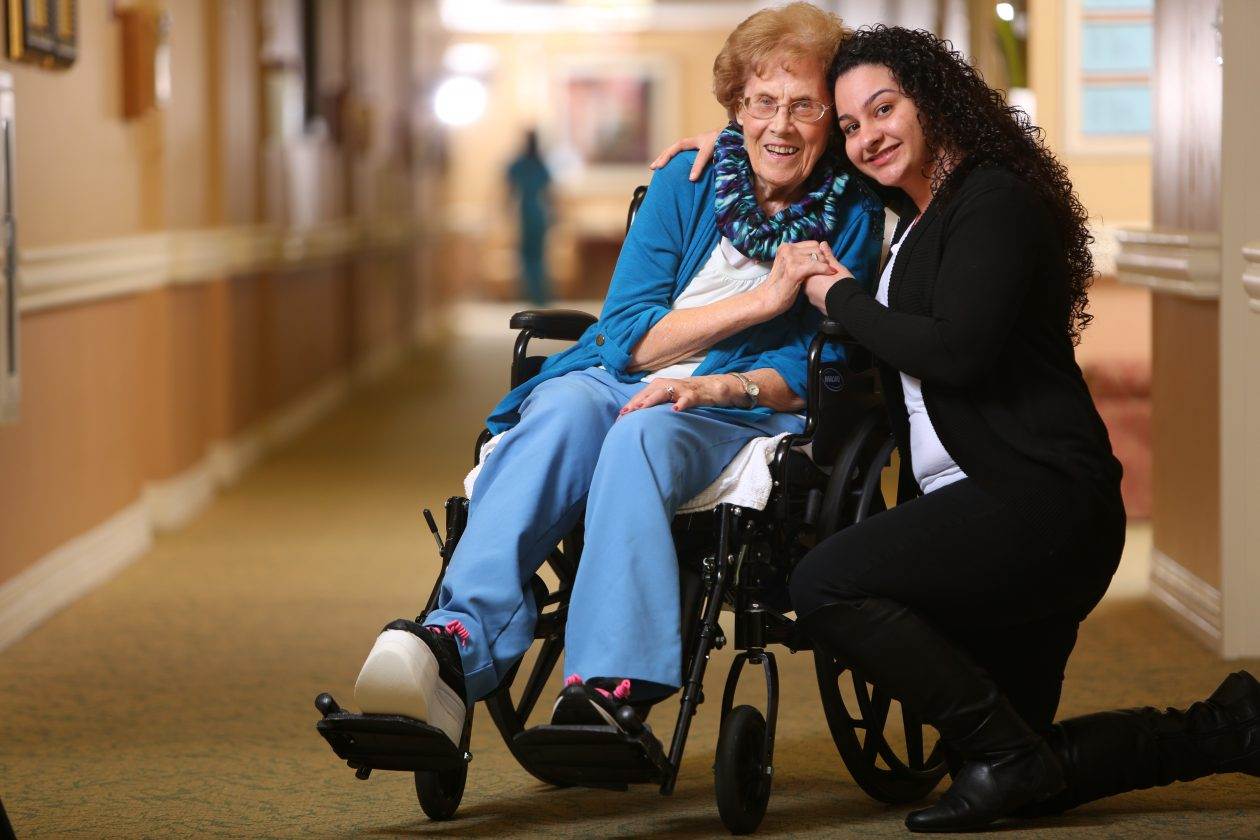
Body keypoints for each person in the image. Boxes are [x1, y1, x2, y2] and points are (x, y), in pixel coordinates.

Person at [656, 23, 1259, 836]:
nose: (868, 136)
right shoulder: (905, 209)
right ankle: (1229, 728)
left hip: (1042, 499)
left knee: (825, 583)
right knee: (1024, 761)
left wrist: (841, 300)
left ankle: (1010, 758)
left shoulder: (993, 200)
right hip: (989, 500)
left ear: (930, 101)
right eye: (854, 123)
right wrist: (732, 141)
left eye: (884, 109)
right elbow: (789, 147)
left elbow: (959, 354)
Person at [350, 3, 883, 757]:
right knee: (564, 405)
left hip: (735, 406)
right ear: (735, 105)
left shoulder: (854, 210)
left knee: (643, 431)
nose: (782, 125)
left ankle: (612, 684)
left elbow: (819, 366)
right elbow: (628, 337)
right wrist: (764, 298)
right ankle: (455, 636)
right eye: (763, 102)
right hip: (616, 375)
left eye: (805, 106)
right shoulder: (685, 177)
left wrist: (715, 388)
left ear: (833, 118)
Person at [506, 130, 553, 305]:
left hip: (528, 213)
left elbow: (510, 191)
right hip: (537, 213)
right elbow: (550, 195)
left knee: (529, 257)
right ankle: (537, 296)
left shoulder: (520, 165)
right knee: (537, 258)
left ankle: (535, 295)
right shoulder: (540, 164)